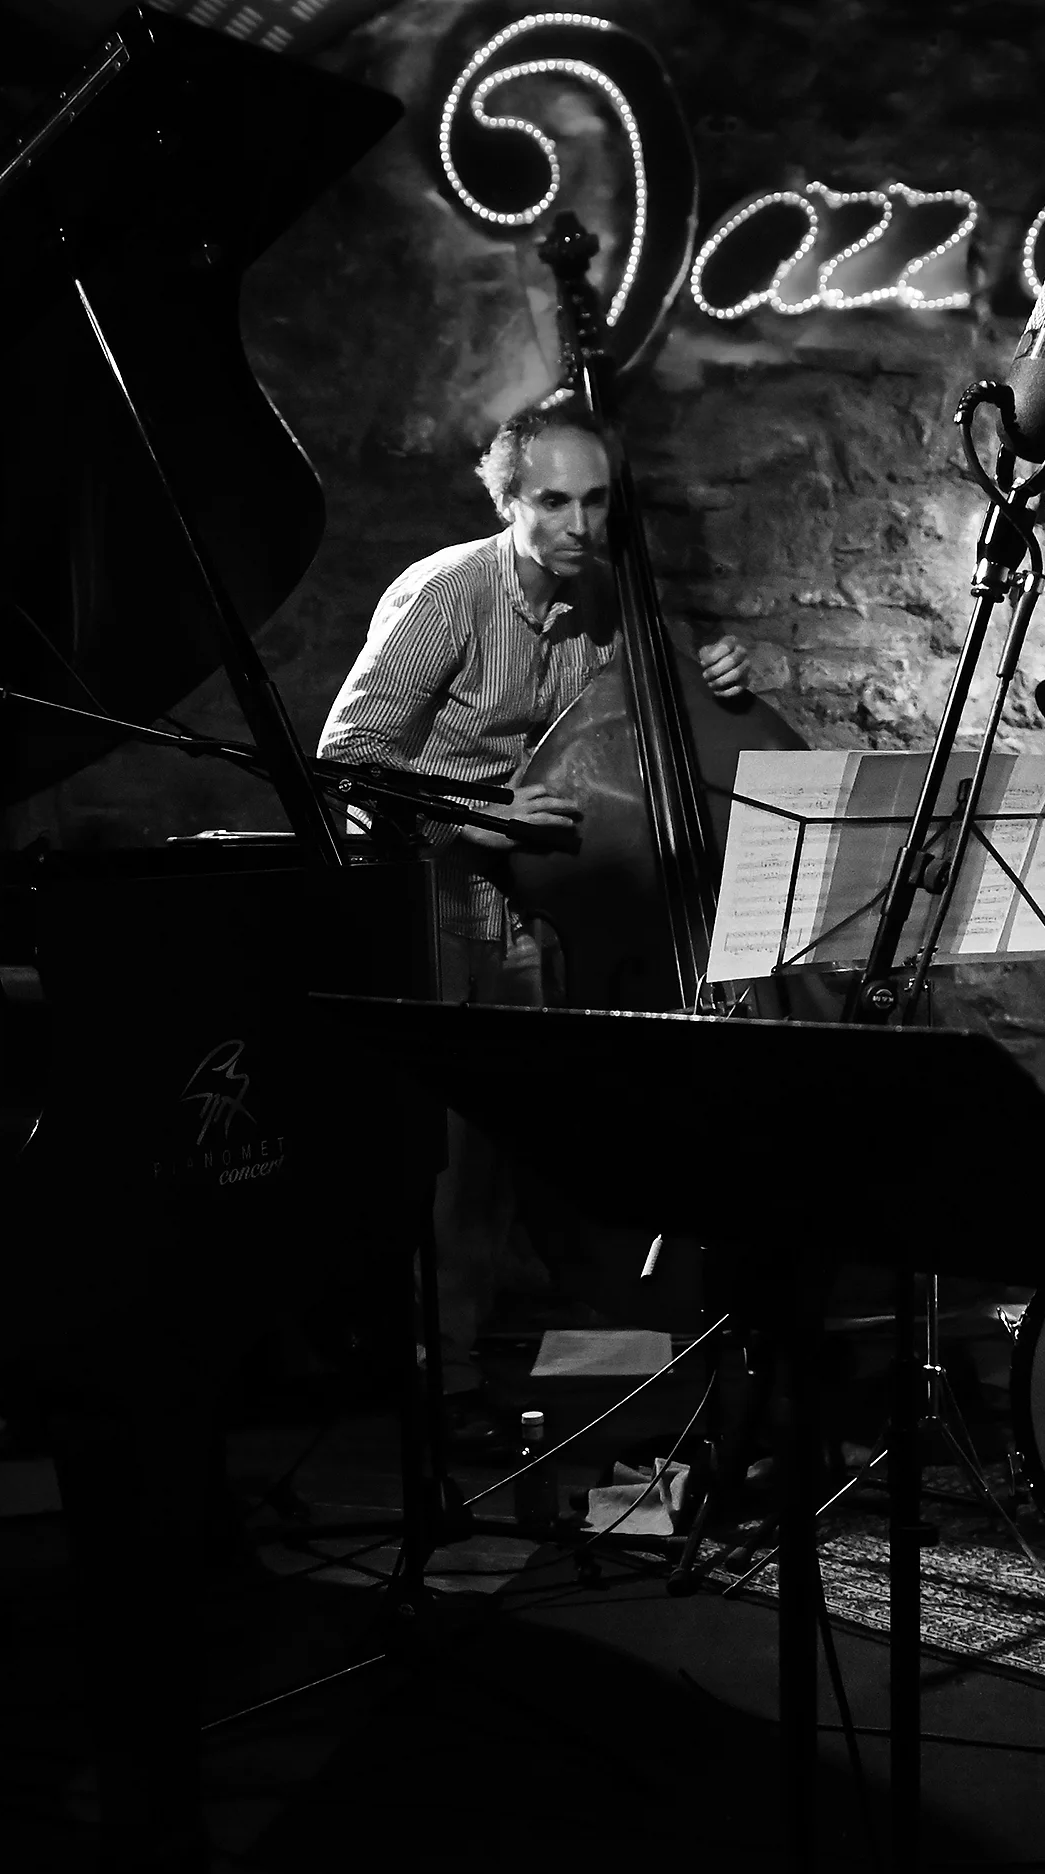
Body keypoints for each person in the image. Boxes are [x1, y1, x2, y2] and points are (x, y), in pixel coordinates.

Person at [316, 394, 747, 1429]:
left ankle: (541, 1346)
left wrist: (722, 677)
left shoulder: (609, 596)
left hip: (550, 908)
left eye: (596, 501)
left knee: (518, 1147)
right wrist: (482, 813)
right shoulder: (449, 595)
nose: (581, 525)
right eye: (554, 502)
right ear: (508, 499)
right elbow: (345, 760)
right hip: (438, 891)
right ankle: (438, 1380)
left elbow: (653, 727)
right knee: (454, 1157)